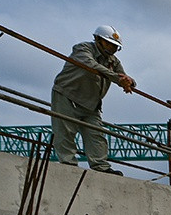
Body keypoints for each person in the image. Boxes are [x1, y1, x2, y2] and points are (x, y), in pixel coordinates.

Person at [51, 25, 136, 175]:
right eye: (109, 44)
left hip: (91, 103)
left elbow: (122, 76)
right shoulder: (83, 49)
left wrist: (129, 81)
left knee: (96, 135)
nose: (112, 49)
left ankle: (101, 167)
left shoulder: (113, 61)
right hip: (67, 94)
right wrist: (117, 78)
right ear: (97, 39)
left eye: (116, 47)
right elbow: (91, 65)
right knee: (66, 132)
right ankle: (68, 165)